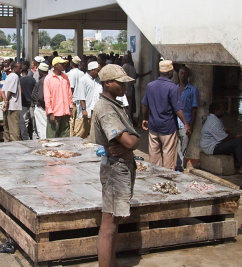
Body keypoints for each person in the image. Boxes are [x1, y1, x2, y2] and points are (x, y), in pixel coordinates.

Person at [90, 64, 139, 267]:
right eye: (120, 83)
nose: (124, 86)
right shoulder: (106, 110)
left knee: (114, 221)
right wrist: (133, 142)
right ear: (108, 83)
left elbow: (129, 143)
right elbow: (129, 142)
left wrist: (131, 144)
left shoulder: (113, 104)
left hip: (119, 165)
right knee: (109, 225)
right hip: (115, 168)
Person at [142, 60, 191, 170]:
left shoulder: (150, 86)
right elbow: (178, 109)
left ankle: (154, 179)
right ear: (170, 72)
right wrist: (186, 124)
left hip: (153, 126)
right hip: (168, 127)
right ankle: (166, 180)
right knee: (168, 157)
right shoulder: (172, 87)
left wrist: (144, 119)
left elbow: (145, 105)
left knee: (154, 157)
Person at [200, 102, 242, 173]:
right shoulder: (214, 122)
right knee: (238, 143)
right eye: (222, 110)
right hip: (212, 147)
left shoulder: (213, 118)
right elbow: (223, 138)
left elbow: (224, 131)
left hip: (213, 145)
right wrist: (235, 137)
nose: (224, 112)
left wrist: (234, 135)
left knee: (235, 141)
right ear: (216, 110)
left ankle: (237, 163)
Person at [43, 57, 73, 138]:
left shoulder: (65, 77)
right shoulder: (48, 79)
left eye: (64, 63)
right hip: (54, 113)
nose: (64, 65)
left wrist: (70, 107)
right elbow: (47, 97)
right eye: (62, 64)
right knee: (52, 137)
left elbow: (69, 93)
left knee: (65, 137)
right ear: (55, 66)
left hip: (65, 112)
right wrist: (50, 112)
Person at [176, 66, 199, 171]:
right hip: (174, 122)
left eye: (185, 73)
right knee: (175, 145)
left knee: (183, 146)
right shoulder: (174, 89)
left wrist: (191, 125)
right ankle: (177, 164)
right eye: (181, 73)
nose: (183, 75)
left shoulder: (193, 90)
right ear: (178, 74)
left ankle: (179, 165)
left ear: (188, 75)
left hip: (186, 121)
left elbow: (194, 108)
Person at [73, 61, 101, 138]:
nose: (98, 72)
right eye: (97, 70)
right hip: (85, 111)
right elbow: (81, 96)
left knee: (91, 133)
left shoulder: (97, 80)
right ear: (92, 70)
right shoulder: (83, 80)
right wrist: (84, 109)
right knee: (80, 133)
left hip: (93, 111)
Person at [2, 62, 22, 142]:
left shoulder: (8, 76)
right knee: (14, 130)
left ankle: (6, 144)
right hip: (13, 106)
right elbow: (10, 90)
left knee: (6, 129)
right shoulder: (15, 77)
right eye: (19, 68)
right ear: (15, 68)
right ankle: (15, 147)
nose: (21, 70)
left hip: (7, 106)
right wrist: (7, 101)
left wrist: (5, 101)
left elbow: (2, 91)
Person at [66, 56, 84, 136]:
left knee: (71, 120)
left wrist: (67, 100)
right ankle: (76, 135)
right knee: (78, 119)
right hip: (80, 99)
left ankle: (71, 136)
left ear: (71, 63)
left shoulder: (71, 73)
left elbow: (71, 88)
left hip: (72, 100)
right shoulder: (82, 73)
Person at [31, 63, 49, 139]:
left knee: (42, 128)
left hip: (41, 108)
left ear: (41, 71)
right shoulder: (47, 79)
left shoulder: (42, 81)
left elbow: (41, 97)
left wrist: (43, 106)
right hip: (44, 107)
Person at [20, 65, 36, 140]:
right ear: (27, 71)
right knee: (34, 123)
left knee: (24, 123)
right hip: (32, 104)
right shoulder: (32, 80)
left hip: (23, 104)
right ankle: (35, 138)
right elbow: (35, 92)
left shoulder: (19, 80)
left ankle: (25, 139)